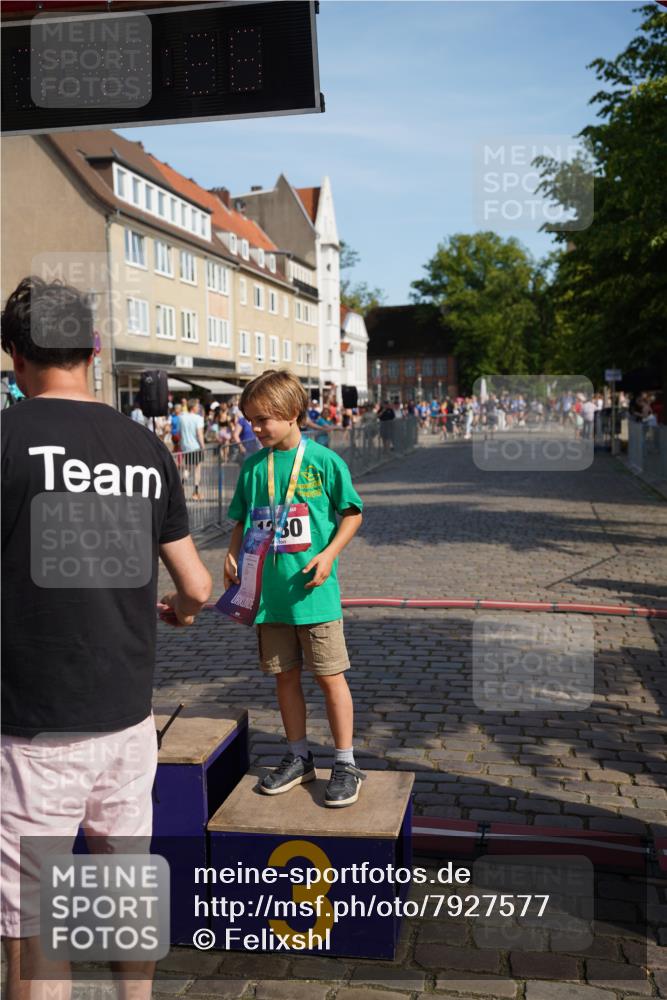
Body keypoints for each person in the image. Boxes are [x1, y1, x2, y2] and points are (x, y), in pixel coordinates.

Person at [0, 277, 212, 1000]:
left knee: (35, 924)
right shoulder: (144, 447)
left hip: (31, 725)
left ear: (14, 356)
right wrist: (180, 613)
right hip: (126, 718)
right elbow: (197, 587)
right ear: (92, 349)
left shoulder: (4, 441)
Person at [223, 370, 365, 807]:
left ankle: (345, 762)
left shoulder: (323, 461)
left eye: (263, 419)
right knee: (285, 678)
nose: (256, 428)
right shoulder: (252, 467)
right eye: (250, 420)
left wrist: (329, 555)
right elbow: (243, 520)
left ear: (292, 414)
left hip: (314, 595)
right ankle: (298, 756)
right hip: (271, 599)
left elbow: (352, 513)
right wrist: (230, 556)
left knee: (329, 677)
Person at [178, 398, 205, 500]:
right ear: (193, 407)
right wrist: (203, 446)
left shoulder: (181, 417)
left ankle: (181, 486)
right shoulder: (198, 418)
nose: (198, 408)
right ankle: (195, 492)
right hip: (195, 447)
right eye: (197, 406)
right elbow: (199, 434)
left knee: (187, 468)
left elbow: (180, 433)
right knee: (197, 469)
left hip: (185, 446)